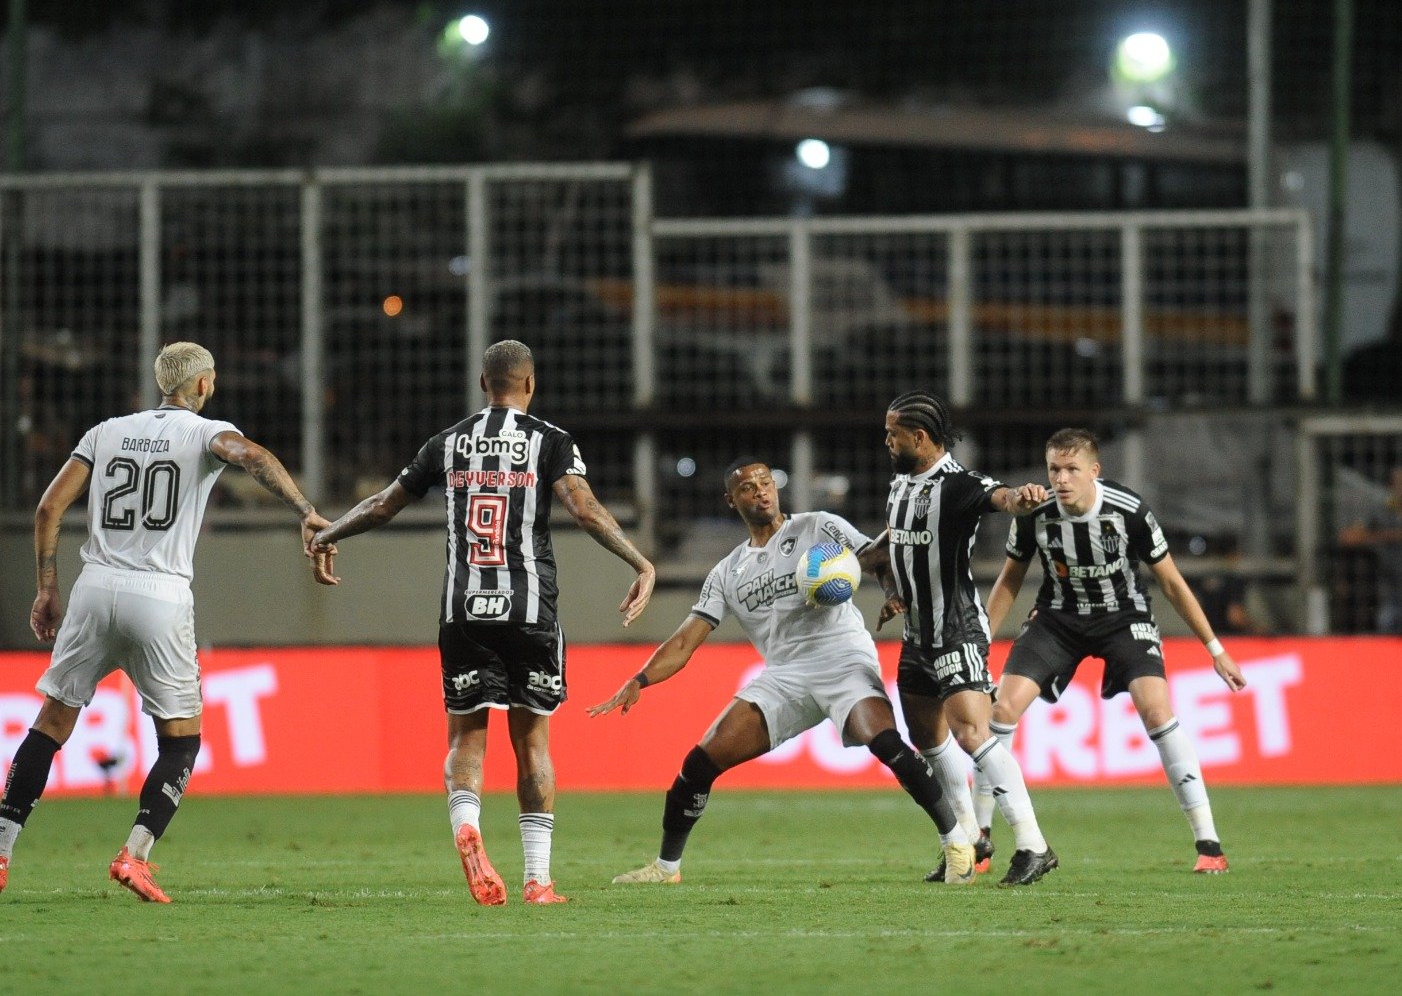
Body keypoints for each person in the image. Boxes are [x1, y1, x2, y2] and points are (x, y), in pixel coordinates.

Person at [310, 340, 654, 906]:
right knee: (533, 742)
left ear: (482, 384)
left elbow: (382, 505)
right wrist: (638, 560)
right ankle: (537, 881)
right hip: (530, 608)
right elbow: (585, 508)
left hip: (464, 607)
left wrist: (328, 533)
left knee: (467, 738)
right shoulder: (550, 441)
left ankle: (466, 827)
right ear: (531, 384)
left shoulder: (447, 443)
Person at [0, 342, 337, 902]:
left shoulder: (105, 432)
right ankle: (134, 855)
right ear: (202, 386)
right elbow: (251, 456)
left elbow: (47, 509)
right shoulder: (206, 433)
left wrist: (47, 589)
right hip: (159, 595)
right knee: (181, 741)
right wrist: (304, 510)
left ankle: (3, 850)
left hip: (94, 587)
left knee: (52, 723)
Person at [590, 459, 977, 885]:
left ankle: (957, 843)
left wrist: (890, 593)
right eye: (747, 488)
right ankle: (666, 869)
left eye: (765, 482)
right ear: (731, 500)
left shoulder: (819, 527)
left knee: (886, 742)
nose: (760, 491)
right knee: (699, 764)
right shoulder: (728, 571)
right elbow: (685, 640)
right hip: (784, 676)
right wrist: (639, 679)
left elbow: (877, 557)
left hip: (843, 658)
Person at [980, 428, 1248, 874]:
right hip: (1057, 619)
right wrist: (981, 645)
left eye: (1070, 470)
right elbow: (1009, 580)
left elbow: (1172, 582)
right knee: (1001, 711)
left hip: (1123, 617)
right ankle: (982, 841)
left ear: (1094, 471)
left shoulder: (1129, 511)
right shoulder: (1034, 514)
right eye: (1053, 470)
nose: (1061, 479)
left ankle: (1209, 845)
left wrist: (1215, 649)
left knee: (1158, 712)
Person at [870, 391, 1057, 887]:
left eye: (893, 433)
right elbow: (888, 549)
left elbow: (1002, 497)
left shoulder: (958, 484)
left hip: (955, 630)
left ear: (919, 437)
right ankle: (969, 841)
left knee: (972, 733)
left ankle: (1034, 844)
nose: (886, 441)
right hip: (916, 635)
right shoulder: (901, 484)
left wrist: (1025, 498)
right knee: (927, 739)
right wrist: (891, 590)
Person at [1339, 465, 1402, 632]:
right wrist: (1391, 536)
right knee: (1388, 631)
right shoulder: (1381, 513)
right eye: (1398, 484)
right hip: (1390, 588)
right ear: (1390, 487)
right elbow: (1348, 537)